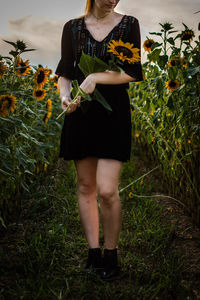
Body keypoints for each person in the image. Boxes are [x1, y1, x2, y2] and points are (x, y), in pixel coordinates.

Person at [55, 0, 143, 281]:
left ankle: (111, 254)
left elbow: (132, 72)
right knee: (85, 186)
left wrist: (95, 77)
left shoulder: (129, 25)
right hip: (81, 113)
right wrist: (65, 97)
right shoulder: (72, 28)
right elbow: (65, 73)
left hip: (113, 114)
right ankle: (93, 252)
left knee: (107, 190)